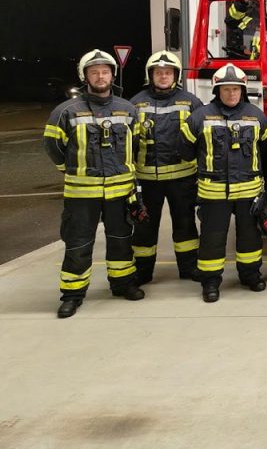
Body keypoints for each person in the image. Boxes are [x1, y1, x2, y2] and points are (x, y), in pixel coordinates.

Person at [42, 49, 145, 318]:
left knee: (121, 240)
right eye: (94, 72)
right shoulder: (66, 111)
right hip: (81, 194)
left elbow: (137, 144)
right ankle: (72, 294)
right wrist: (71, 170)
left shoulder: (128, 109)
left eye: (105, 71)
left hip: (120, 192)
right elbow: (52, 146)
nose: (100, 76)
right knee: (78, 244)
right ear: (84, 76)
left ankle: (122, 284)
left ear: (112, 75)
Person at [180, 63, 267, 303]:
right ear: (217, 90)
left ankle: (250, 275)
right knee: (212, 239)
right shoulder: (199, 116)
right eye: (226, 89)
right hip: (214, 192)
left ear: (243, 90)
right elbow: (185, 150)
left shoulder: (257, 116)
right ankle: (210, 282)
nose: (232, 94)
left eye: (236, 89)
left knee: (250, 237)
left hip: (249, 190)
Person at [130, 50, 203, 283]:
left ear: (176, 75)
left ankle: (188, 268)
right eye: (159, 72)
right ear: (150, 75)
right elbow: (127, 144)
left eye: (168, 72)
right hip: (146, 180)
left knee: (185, 223)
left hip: (183, 178)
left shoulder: (191, 102)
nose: (163, 76)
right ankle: (143, 272)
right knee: (144, 226)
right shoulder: (135, 103)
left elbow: (203, 140)